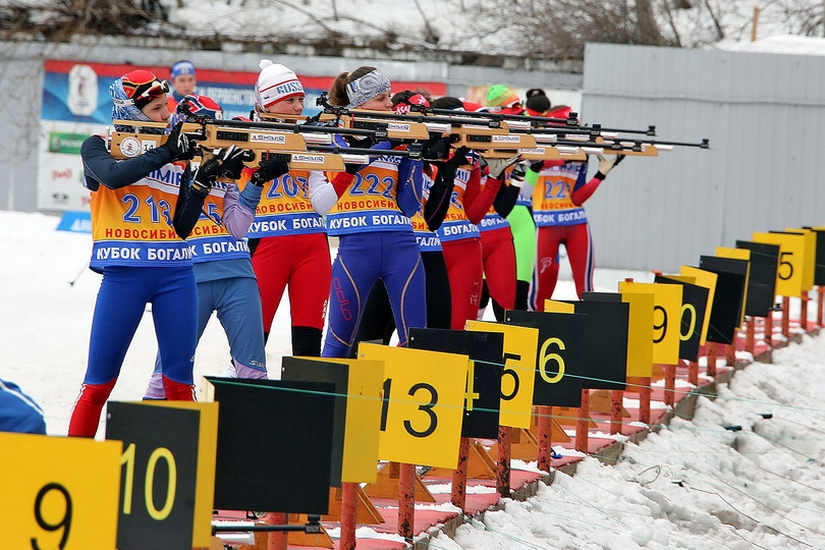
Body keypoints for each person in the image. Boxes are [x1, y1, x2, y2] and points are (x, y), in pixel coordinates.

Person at [69, 69, 211, 437]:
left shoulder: (177, 149)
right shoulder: (97, 144)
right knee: (98, 384)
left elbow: (182, 225)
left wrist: (202, 177)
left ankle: (188, 475)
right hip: (123, 276)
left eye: (167, 107)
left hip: (176, 274)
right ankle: (71, 465)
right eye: (158, 108)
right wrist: (166, 152)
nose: (167, 115)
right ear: (131, 111)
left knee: (180, 384)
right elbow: (112, 177)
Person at [143, 94, 288, 399]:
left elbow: (238, 228)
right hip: (190, 275)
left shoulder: (225, 170)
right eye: (206, 127)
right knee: (168, 372)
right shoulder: (167, 165)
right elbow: (170, 223)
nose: (213, 136)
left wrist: (257, 180)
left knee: (253, 371)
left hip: (237, 273)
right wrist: (199, 179)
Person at [320, 66, 427, 358]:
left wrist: (413, 155)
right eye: (381, 98)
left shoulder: (395, 137)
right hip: (355, 247)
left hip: (401, 245)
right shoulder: (335, 133)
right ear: (360, 103)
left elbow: (410, 204)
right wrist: (387, 143)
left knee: (417, 341)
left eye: (389, 97)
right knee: (337, 343)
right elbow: (345, 165)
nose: (390, 105)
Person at [246, 59, 339, 356]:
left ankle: (306, 399)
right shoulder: (243, 132)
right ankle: (241, 390)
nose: (300, 107)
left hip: (313, 245)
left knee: (309, 343)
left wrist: (347, 171)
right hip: (266, 243)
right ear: (269, 104)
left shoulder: (307, 137)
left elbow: (321, 204)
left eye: (301, 99)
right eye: (290, 100)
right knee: (252, 337)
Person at [525, 102, 626, 306]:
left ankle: (592, 326)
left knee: (585, 285)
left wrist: (601, 174)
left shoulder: (581, 155)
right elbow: (532, 178)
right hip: (545, 224)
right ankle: (536, 327)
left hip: (576, 223)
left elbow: (577, 198)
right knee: (543, 284)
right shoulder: (537, 148)